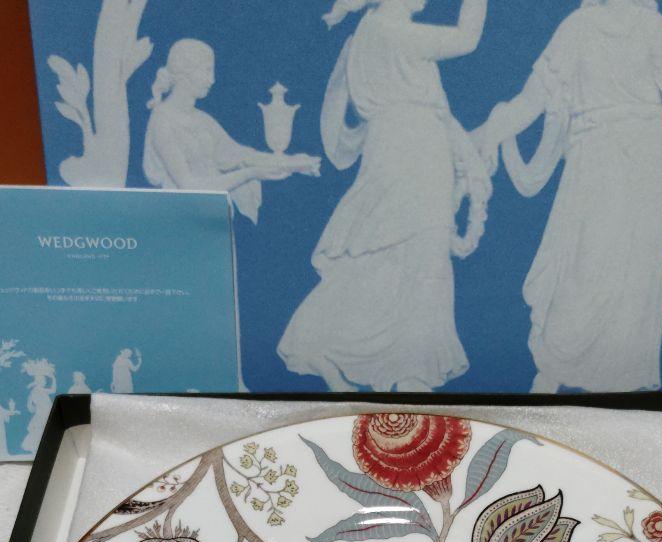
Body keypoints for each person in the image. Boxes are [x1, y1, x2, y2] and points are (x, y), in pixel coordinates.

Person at [474, 0, 662, 392]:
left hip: (644, 165)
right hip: (596, 158)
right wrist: (475, 140)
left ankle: (615, 393)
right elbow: (529, 102)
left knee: (631, 280)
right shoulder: (578, 26)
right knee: (581, 268)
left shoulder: (653, 28)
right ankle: (552, 374)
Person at [278, 0, 492, 393]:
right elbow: (467, 39)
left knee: (400, 252)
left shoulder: (376, 32)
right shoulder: (390, 31)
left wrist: (468, 158)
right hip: (409, 149)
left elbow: (439, 109)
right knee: (410, 249)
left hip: (411, 145)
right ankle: (350, 352)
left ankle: (407, 367)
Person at [143, 38, 320, 223]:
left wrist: (293, 162)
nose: (212, 80)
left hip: (213, 219)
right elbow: (189, 186)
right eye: (207, 70)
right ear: (186, 72)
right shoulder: (162, 121)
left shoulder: (202, 120)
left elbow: (242, 155)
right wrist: (250, 173)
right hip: (181, 223)